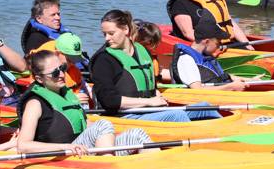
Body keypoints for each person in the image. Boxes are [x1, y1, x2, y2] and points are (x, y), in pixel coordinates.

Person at [17, 50, 154, 156]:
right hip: (63, 155)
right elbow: (23, 145)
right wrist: (64, 147)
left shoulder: (65, 94)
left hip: (82, 150)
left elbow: (82, 124)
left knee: (138, 134)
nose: (61, 74)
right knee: (103, 125)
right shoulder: (34, 104)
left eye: (62, 68)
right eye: (54, 73)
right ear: (40, 79)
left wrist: (108, 133)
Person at [90, 9, 220, 121]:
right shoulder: (103, 60)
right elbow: (109, 101)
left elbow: (151, 87)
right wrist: (149, 102)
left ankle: (228, 141)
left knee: (205, 107)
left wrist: (156, 95)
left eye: (111, 33)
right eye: (104, 34)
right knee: (176, 116)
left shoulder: (142, 51)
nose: (107, 38)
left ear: (125, 29)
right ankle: (193, 147)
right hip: (124, 116)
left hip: (147, 111)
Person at [170, 18, 247, 90]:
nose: (219, 47)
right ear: (206, 42)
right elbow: (197, 89)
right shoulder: (187, 59)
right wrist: (230, 86)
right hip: (202, 101)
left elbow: (222, 77)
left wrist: (249, 80)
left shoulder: (205, 56)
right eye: (217, 43)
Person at [28, 32, 91, 105]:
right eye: (69, 59)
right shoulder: (44, 70)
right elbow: (44, 99)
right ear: (57, 54)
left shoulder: (71, 68)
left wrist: (89, 91)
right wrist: (73, 99)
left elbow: (81, 83)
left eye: (75, 59)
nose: (73, 63)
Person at [21, 0, 86, 61]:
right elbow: (34, 65)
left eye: (58, 14)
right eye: (53, 15)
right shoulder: (36, 39)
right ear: (39, 19)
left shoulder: (62, 33)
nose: (58, 17)